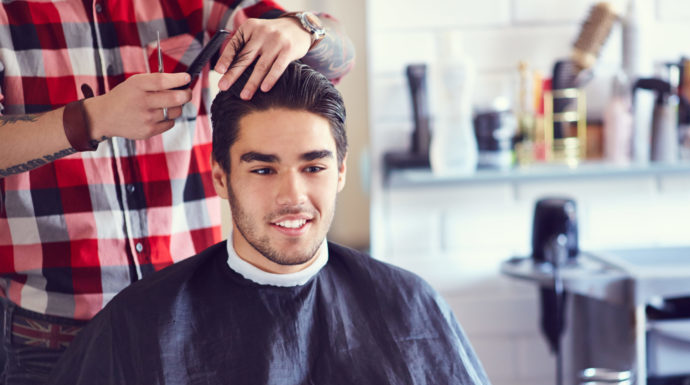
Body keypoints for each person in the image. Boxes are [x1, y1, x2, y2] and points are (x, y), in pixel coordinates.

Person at [47, 61, 491, 385]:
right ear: (220, 176)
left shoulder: (410, 305)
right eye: (263, 169)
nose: (292, 196)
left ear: (339, 173)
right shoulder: (141, 324)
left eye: (313, 168)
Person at [0, 1, 354, 383]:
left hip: (189, 325)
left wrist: (300, 29)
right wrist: (93, 118)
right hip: (52, 341)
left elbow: (340, 55)